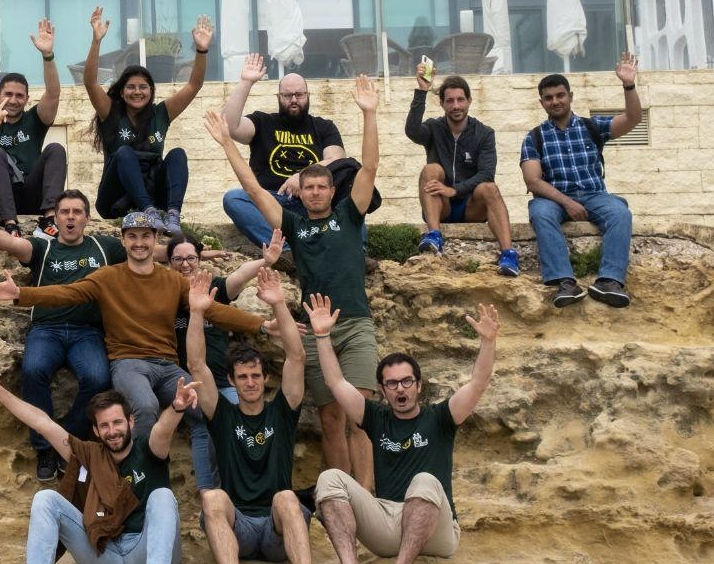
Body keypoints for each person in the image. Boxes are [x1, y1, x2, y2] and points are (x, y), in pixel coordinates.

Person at [203, 87, 381, 488]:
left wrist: (369, 114)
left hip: (354, 325)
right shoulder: (296, 227)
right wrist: (227, 144)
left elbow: (368, 168)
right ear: (301, 193)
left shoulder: (350, 216)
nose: (315, 192)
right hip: (317, 333)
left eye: (322, 187)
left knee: (361, 417)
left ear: (332, 191)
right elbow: (251, 189)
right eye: (309, 188)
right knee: (331, 419)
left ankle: (366, 497)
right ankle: (339, 494)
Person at [0, 208, 277, 440]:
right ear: (123, 241)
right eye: (132, 236)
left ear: (156, 240)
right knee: (144, 407)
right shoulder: (108, 277)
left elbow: (212, 310)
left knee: (205, 408)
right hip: (128, 363)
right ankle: (140, 473)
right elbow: (66, 293)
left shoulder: (172, 280)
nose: (139, 242)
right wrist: (20, 294)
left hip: (168, 365)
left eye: (146, 236)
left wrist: (261, 324)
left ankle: (213, 481)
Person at [0, 360, 194, 564]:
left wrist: (176, 407)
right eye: (104, 426)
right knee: (45, 498)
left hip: (149, 553)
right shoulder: (90, 454)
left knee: (162, 495)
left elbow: (163, 431)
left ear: (130, 422)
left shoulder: (149, 447)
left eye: (117, 423)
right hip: (108, 561)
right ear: (96, 431)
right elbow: (44, 424)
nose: (112, 431)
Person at [315, 304, 499, 564]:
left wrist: (488, 342)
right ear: (383, 390)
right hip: (388, 522)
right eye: (392, 383)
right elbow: (337, 383)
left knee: (425, 480)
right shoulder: (375, 417)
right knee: (329, 479)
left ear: (418, 385)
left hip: (436, 530)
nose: (400, 389)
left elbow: (477, 384)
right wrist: (322, 336)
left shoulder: (440, 417)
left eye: (406, 381)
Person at [0, 190, 122, 482]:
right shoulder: (43, 249)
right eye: (64, 212)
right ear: (55, 217)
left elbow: (143, 249)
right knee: (33, 370)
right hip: (47, 330)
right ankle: (45, 446)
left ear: (87, 218)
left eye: (76, 212)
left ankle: (67, 438)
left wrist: (188, 251)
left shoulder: (104, 248)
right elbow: (14, 244)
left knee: (98, 378)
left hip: (87, 332)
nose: (70, 217)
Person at [183, 275, 314, 564]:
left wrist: (278, 303)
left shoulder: (282, 411)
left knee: (287, 497)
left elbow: (296, 357)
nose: (251, 382)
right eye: (243, 377)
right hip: (238, 526)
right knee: (211, 495)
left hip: (274, 529)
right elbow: (196, 366)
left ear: (265, 377)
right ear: (232, 380)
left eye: (256, 375)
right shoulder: (222, 414)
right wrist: (197, 313)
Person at [521, 55, 643, 308]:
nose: (555, 101)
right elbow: (533, 181)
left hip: (594, 195)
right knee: (540, 212)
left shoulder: (592, 127)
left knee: (620, 213)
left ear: (570, 96)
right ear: (542, 102)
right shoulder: (534, 137)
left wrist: (628, 85)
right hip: (554, 198)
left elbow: (632, 119)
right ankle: (564, 283)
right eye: (549, 97)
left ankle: (609, 282)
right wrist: (567, 203)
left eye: (560, 95)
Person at [80, 7, 214, 236]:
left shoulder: (160, 114)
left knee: (178, 154)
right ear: (121, 92)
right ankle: (148, 211)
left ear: (151, 92)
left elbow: (194, 86)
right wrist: (96, 41)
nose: (137, 92)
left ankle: (172, 215)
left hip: (153, 191)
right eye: (131, 87)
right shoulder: (110, 112)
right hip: (114, 198)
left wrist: (201, 50)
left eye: (143, 87)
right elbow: (91, 83)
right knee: (124, 153)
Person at [165, 233, 271, 494]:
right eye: (177, 259)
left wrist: (265, 261)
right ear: (169, 263)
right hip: (188, 383)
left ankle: (244, 488)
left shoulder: (214, 290)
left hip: (225, 381)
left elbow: (240, 276)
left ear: (200, 259)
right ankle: (208, 492)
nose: (185, 264)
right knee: (202, 426)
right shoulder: (164, 295)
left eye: (191, 257)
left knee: (241, 419)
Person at [218, 56, 346, 248]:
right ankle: (284, 251)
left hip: (312, 201)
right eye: (287, 95)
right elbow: (229, 126)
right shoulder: (263, 122)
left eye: (299, 94)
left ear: (308, 96)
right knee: (233, 198)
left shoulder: (324, 127)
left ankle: (356, 251)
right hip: (270, 202)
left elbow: (336, 159)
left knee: (352, 196)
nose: (294, 100)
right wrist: (246, 82)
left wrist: (302, 176)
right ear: (279, 98)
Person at [0, 13, 66, 236]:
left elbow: (54, 94)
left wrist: (48, 55)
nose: (13, 99)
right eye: (8, 94)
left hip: (28, 193)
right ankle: (10, 225)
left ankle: (50, 218)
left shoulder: (34, 120)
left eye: (20, 95)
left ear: (27, 99)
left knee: (56, 149)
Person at [407, 69, 517, 275]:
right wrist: (421, 91)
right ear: (442, 104)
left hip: (471, 207)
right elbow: (412, 131)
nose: (456, 106)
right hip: (441, 206)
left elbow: (486, 173)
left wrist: (454, 190)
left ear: (469, 101)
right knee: (431, 169)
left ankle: (509, 254)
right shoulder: (433, 127)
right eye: (450, 101)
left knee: (490, 188)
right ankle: (434, 235)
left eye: (460, 100)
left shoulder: (484, 133)